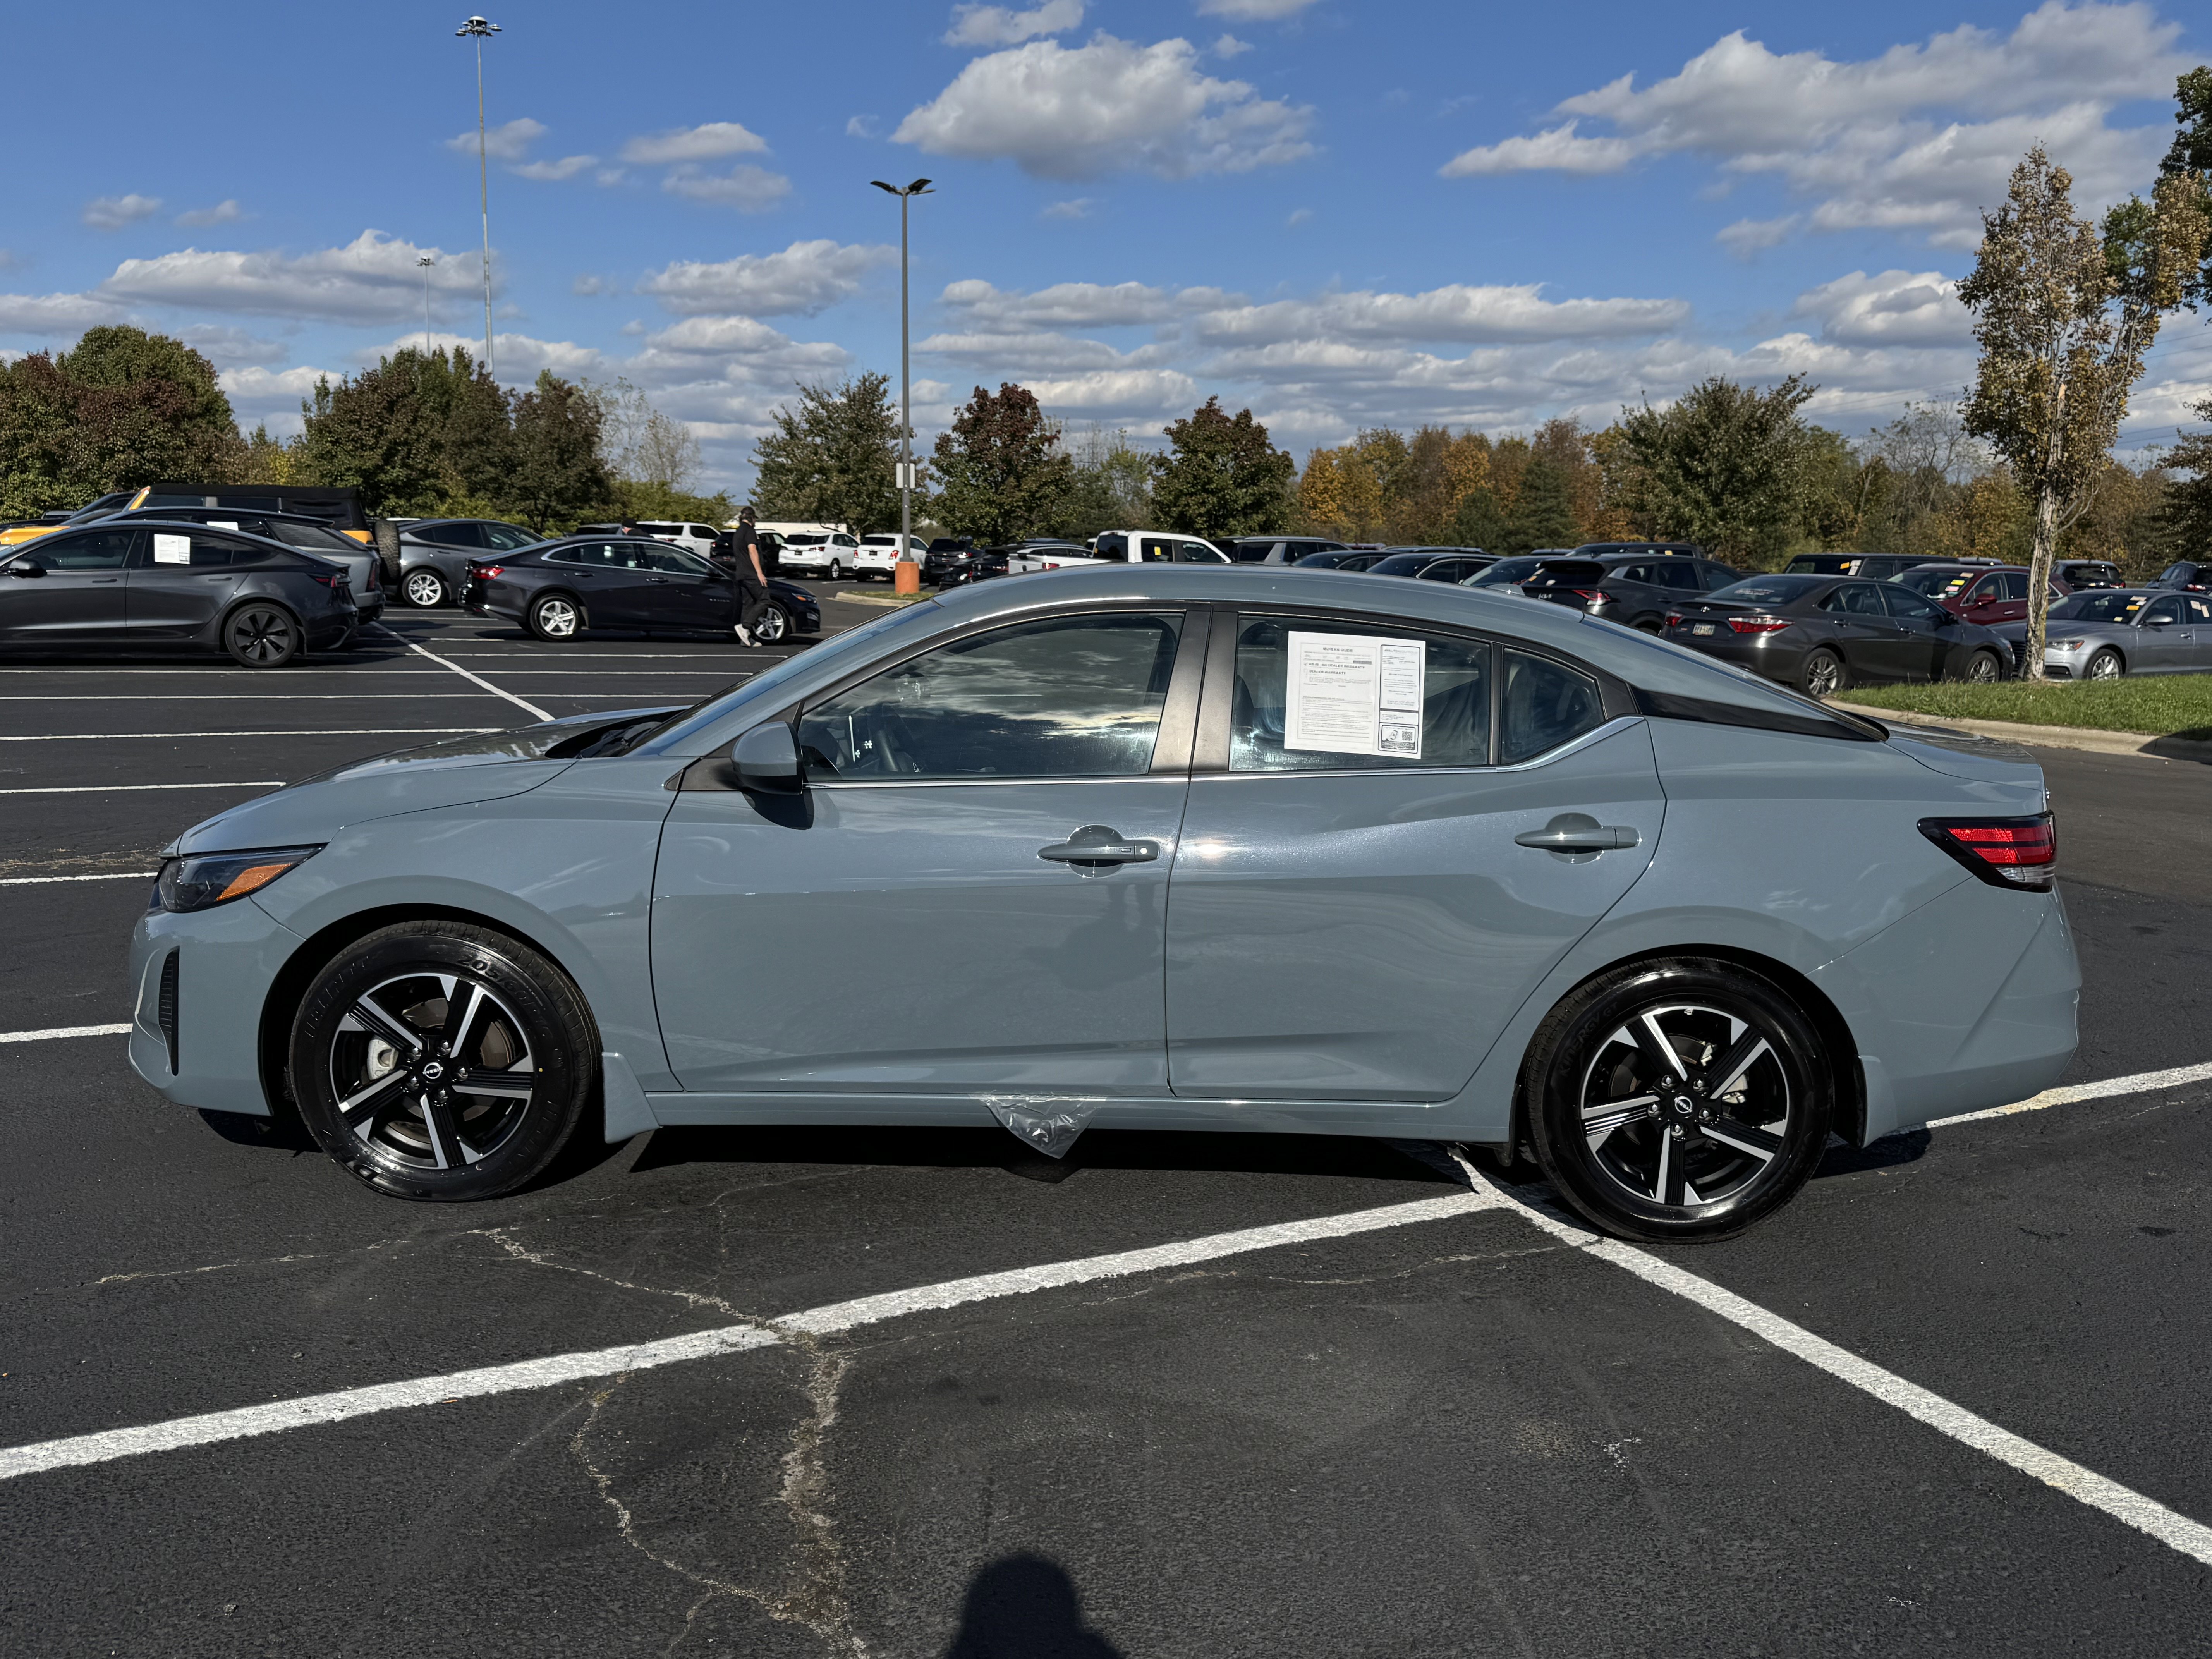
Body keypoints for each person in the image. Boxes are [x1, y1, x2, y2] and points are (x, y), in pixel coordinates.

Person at [732, 507, 771, 646]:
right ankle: (745, 627)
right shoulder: (749, 531)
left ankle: (746, 639)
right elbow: (752, 550)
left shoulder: (738, 532)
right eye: (755, 519)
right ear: (752, 518)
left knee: (748, 604)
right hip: (751, 573)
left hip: (741, 573)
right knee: (765, 600)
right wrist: (760, 573)